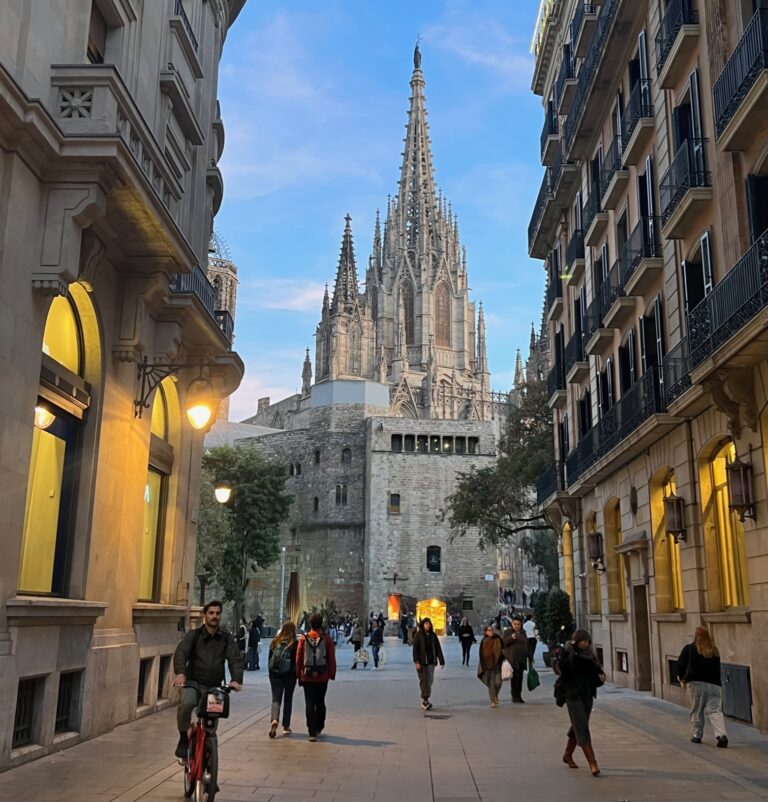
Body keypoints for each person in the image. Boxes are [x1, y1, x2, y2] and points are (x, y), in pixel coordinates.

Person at [172, 600, 243, 757]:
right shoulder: (194, 635)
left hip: (214, 687)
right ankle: (184, 737)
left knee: (211, 725)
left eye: (217, 613)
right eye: (211, 613)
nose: (214, 616)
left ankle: (209, 770)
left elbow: (235, 659)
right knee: (187, 704)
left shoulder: (225, 637)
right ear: (205, 615)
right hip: (193, 683)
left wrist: (236, 679)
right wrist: (181, 672)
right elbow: (181, 653)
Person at [558, 628, 605, 776]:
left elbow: (596, 674)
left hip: (587, 695)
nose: (585, 644)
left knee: (578, 725)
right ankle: (593, 762)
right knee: (582, 727)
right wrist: (570, 652)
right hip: (573, 695)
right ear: (576, 641)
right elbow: (563, 671)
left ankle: (567, 754)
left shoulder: (590, 655)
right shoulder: (568, 654)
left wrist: (600, 678)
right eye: (582, 641)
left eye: (587, 641)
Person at [677, 626, 728, 748]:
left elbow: (680, 665)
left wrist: (681, 677)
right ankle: (721, 735)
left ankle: (697, 735)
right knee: (715, 711)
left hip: (696, 685)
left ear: (696, 636)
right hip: (715, 686)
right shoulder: (714, 651)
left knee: (697, 710)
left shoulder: (689, 649)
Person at [296, 612, 336, 741]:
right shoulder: (327, 639)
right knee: (320, 701)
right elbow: (331, 658)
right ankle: (319, 725)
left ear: (310, 624)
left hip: (307, 676)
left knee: (309, 702)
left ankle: (311, 731)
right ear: (321, 623)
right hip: (322, 676)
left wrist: (299, 675)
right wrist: (331, 673)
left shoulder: (303, 638)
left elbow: (298, 658)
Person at [268, 621, 299, 738]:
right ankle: (286, 726)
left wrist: (271, 674)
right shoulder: (295, 644)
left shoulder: (275, 642)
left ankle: (274, 720)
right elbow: (297, 662)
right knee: (288, 699)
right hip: (290, 676)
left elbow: (269, 661)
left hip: (275, 676)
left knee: (276, 699)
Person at [412, 617, 445, 710]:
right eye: (426, 624)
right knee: (423, 680)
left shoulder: (433, 635)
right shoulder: (418, 635)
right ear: (423, 625)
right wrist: (416, 661)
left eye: (429, 624)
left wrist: (441, 660)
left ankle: (426, 698)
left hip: (431, 662)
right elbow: (415, 649)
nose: (428, 625)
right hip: (421, 663)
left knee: (430, 681)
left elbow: (438, 648)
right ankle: (425, 700)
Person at [502, 616, 528, 703]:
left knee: (520, 678)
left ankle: (519, 696)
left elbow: (526, 645)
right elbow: (503, 643)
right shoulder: (508, 632)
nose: (516, 626)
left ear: (521, 625)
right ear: (512, 624)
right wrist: (511, 638)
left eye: (518, 624)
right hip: (512, 659)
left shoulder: (523, 633)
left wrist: (529, 657)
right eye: (515, 624)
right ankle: (514, 696)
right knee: (515, 678)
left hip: (521, 659)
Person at [477, 624, 503, 707]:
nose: (491, 631)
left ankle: (495, 695)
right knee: (491, 683)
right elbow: (481, 654)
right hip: (488, 665)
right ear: (485, 632)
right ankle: (492, 700)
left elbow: (504, 647)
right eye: (489, 630)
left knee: (498, 682)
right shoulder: (484, 641)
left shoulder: (497, 638)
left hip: (498, 663)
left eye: (491, 630)